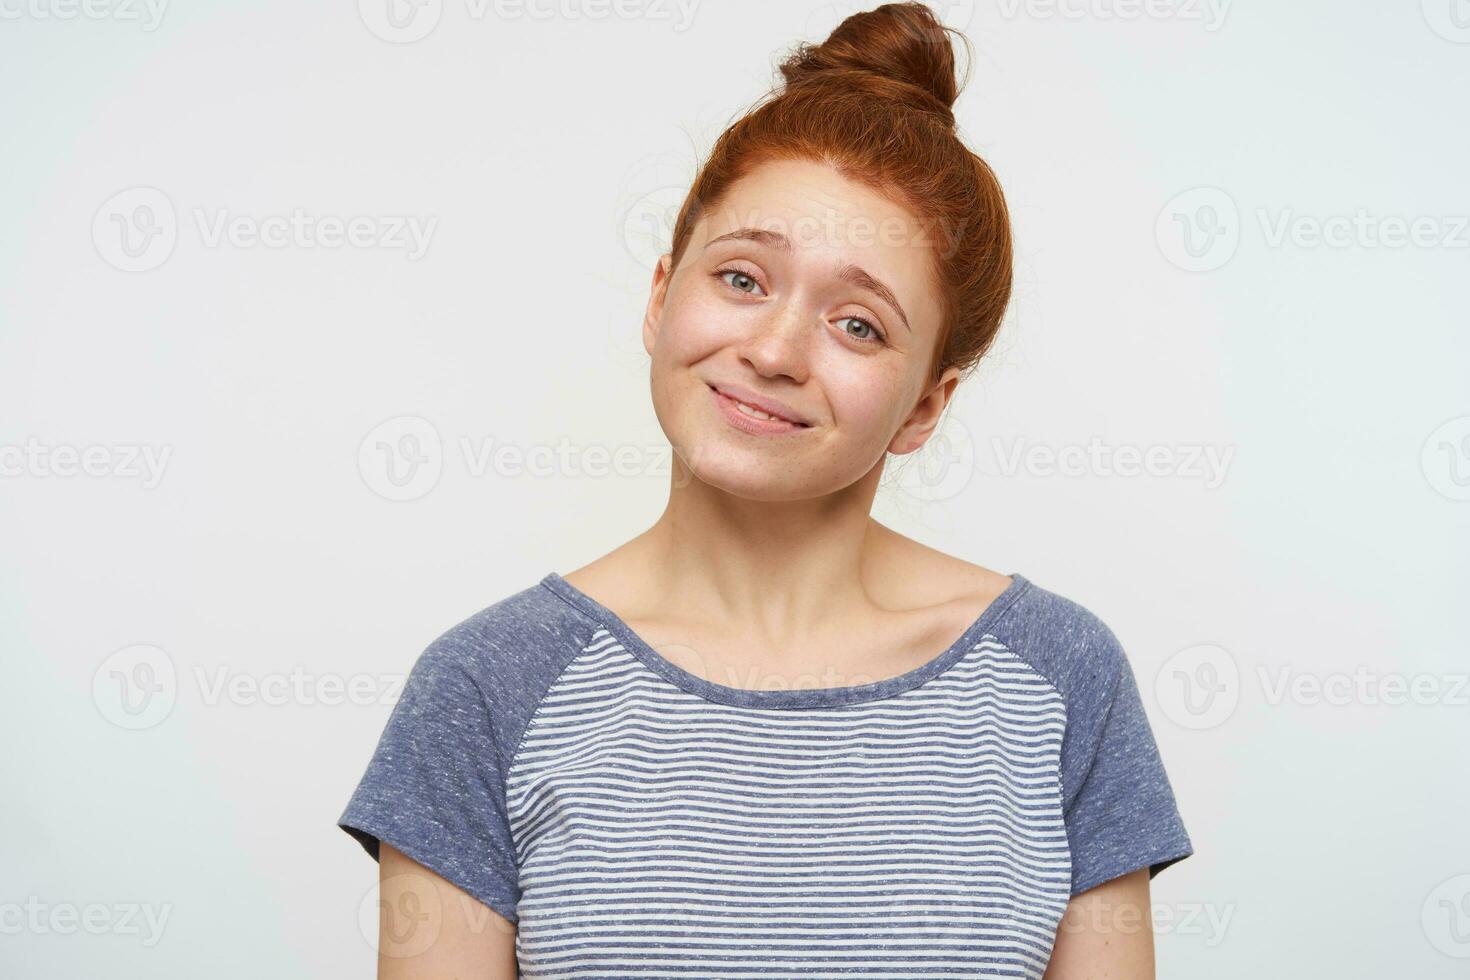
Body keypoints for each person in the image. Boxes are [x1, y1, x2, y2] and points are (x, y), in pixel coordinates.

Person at [339, 3, 1193, 976]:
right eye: (743, 277)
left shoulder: (1062, 674)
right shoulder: (486, 685)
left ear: (926, 405)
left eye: (859, 324)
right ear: (662, 296)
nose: (775, 350)